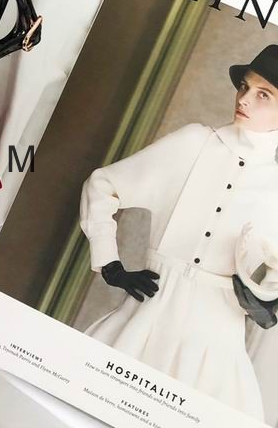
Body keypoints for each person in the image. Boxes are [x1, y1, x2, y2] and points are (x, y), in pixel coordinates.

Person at [79, 45, 278, 420]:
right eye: (244, 87)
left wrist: (266, 301)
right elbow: (102, 185)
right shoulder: (193, 143)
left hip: (218, 339)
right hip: (147, 316)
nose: (244, 99)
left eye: (263, 94)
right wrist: (110, 264)